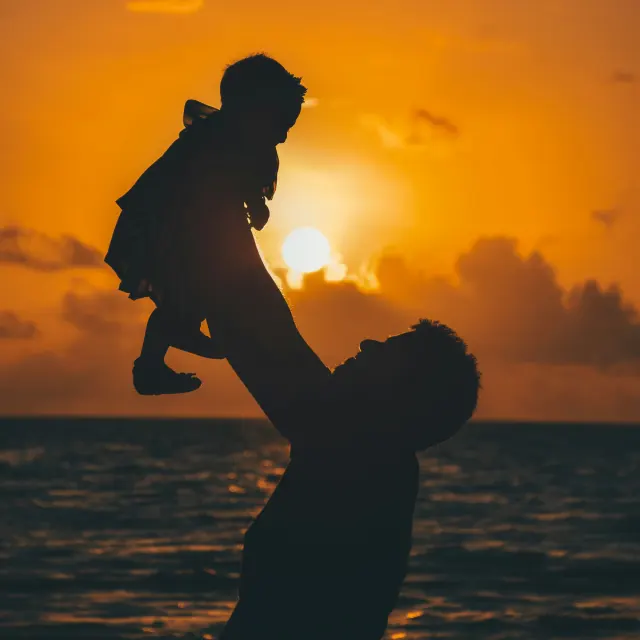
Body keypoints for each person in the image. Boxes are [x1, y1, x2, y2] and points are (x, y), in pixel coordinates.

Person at [217, 317, 480, 640]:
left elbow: (249, 320)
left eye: (387, 351)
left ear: (401, 389)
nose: (366, 343)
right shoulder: (384, 465)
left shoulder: (356, 451)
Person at [104, 54, 305, 395]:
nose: (283, 137)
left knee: (191, 293)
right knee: (194, 287)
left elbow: (235, 180)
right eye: (280, 125)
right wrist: (253, 203)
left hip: (190, 226)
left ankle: (156, 357)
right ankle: (159, 354)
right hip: (177, 224)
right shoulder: (219, 140)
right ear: (253, 112)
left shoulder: (231, 140)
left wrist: (253, 204)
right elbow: (217, 177)